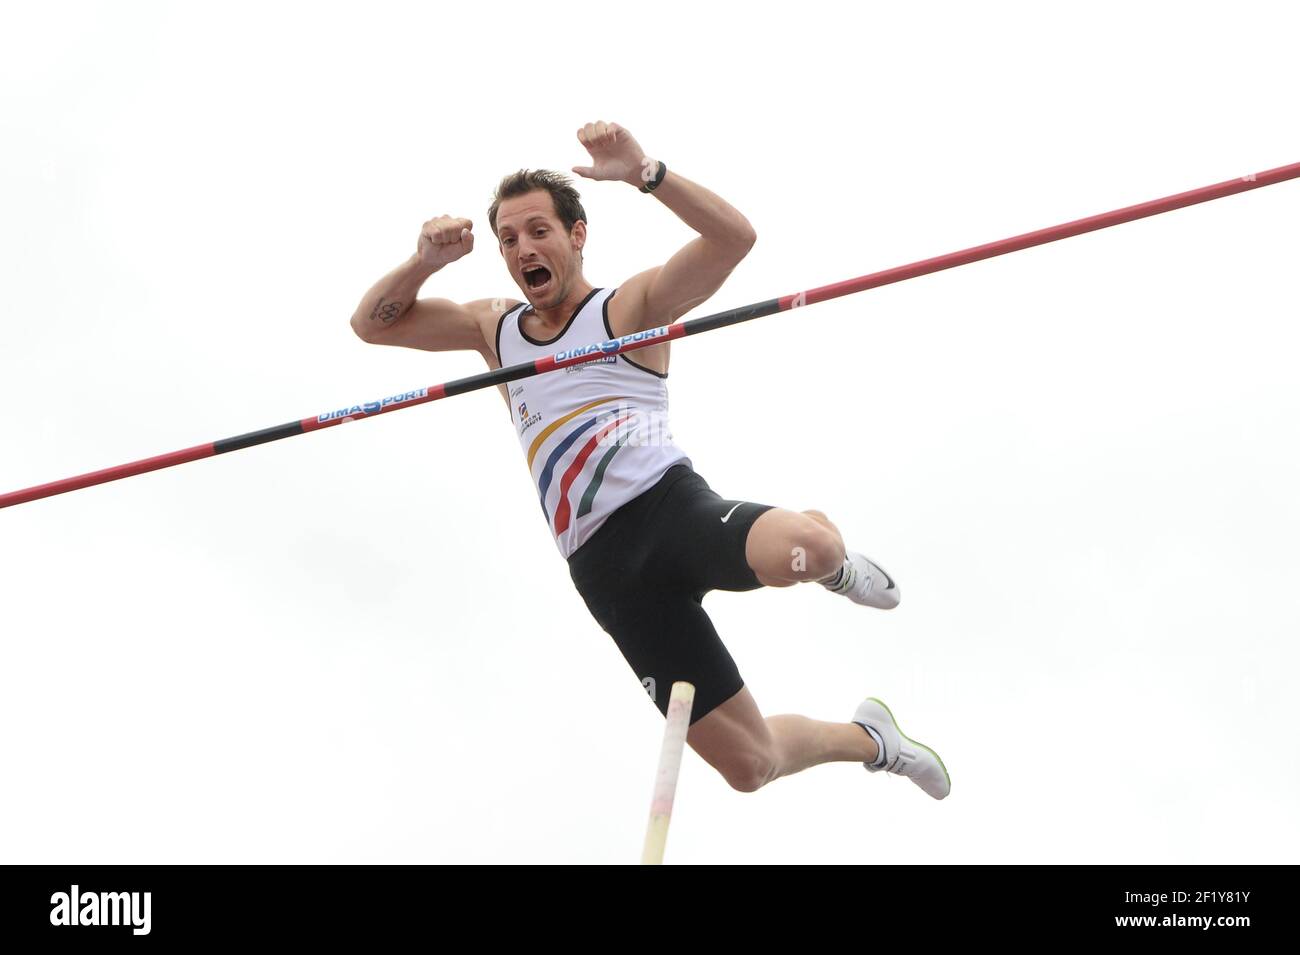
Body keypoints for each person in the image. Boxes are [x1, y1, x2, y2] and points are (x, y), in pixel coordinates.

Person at [350, 121, 948, 800]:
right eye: (509, 239)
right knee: (749, 766)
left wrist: (646, 173)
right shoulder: (495, 328)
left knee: (803, 550)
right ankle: (873, 741)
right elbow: (374, 323)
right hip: (606, 573)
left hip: (669, 512)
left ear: (576, 235)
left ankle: (831, 558)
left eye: (538, 230)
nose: (523, 249)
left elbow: (734, 241)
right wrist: (425, 261)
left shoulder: (629, 308)